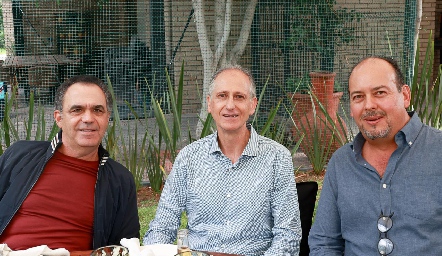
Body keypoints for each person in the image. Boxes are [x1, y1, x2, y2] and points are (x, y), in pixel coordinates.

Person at [143, 65, 301, 255]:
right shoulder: (188, 158)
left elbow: (288, 237)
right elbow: (161, 227)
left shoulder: (277, 158)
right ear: (210, 104)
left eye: (239, 97)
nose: (230, 105)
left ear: (253, 105)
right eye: (222, 96)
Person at [309, 56, 442, 255]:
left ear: (405, 95)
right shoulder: (341, 163)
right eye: (358, 97)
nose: (368, 105)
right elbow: (325, 243)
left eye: (379, 93)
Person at [0, 75, 140, 251]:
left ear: (107, 118)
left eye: (98, 110)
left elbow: (125, 249)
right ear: (59, 118)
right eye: (77, 110)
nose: (88, 118)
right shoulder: (22, 155)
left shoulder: (119, 180)